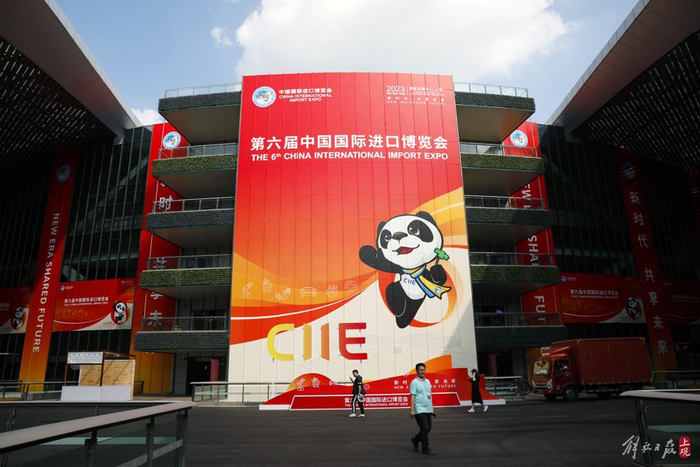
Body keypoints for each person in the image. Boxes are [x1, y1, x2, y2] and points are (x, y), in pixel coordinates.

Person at [409, 363, 436, 455]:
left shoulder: (427, 381)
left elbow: (429, 395)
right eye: (420, 370)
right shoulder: (414, 382)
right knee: (424, 428)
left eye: (423, 370)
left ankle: (416, 440)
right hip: (419, 409)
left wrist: (432, 408)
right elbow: (412, 396)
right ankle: (425, 447)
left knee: (428, 429)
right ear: (417, 371)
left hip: (428, 408)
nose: (422, 371)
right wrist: (412, 410)